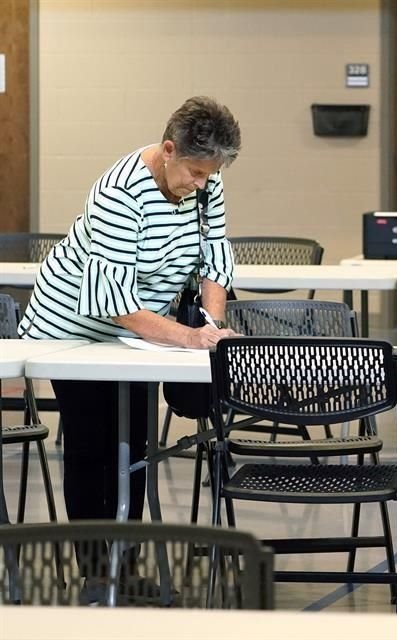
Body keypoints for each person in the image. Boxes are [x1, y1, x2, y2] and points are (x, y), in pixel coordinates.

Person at [18, 96, 241, 599]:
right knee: (92, 443)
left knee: (136, 445)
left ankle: (128, 568)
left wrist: (213, 325)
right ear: (168, 150)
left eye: (211, 175)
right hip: (76, 330)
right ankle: (97, 576)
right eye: (196, 173)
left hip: (145, 337)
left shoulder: (208, 178)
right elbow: (112, 302)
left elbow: (215, 260)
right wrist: (188, 337)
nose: (202, 185)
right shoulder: (121, 193)